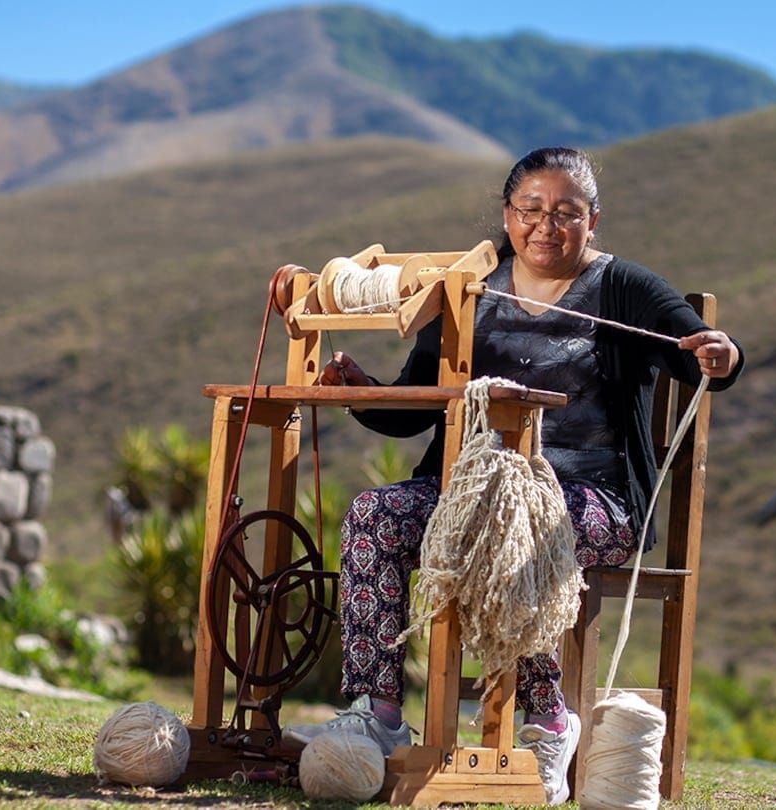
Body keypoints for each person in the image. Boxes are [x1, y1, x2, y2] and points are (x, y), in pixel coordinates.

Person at [287, 146, 744, 804]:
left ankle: (547, 721)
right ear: (507, 214)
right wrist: (363, 392)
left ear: (593, 221)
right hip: (466, 494)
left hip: (591, 504)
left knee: (511, 531)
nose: (546, 225)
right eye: (531, 209)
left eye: (566, 213)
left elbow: (701, 352)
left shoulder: (625, 289)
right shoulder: (467, 289)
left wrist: (721, 353)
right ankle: (379, 713)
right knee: (374, 516)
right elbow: (414, 409)